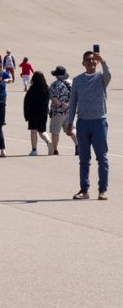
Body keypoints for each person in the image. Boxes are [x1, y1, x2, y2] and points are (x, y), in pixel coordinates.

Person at [65, 50, 110, 200]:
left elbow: (109, 74)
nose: (91, 62)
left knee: (102, 157)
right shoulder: (77, 80)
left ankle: (102, 190)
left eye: (93, 60)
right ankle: (84, 190)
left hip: (99, 122)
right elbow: (73, 103)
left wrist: (103, 61)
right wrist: (70, 122)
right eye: (88, 60)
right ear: (83, 63)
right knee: (84, 159)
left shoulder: (101, 78)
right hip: (83, 123)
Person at [49, 65, 78, 156]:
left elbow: (53, 98)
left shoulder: (54, 85)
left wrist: (61, 104)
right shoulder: (72, 83)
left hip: (58, 111)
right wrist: (68, 104)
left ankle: (55, 150)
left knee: (55, 131)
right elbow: (76, 96)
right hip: (70, 110)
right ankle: (78, 145)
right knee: (71, 128)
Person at [24, 71, 53, 155]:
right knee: (42, 131)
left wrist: (26, 114)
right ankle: (48, 141)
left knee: (33, 131)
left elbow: (27, 102)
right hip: (43, 113)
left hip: (33, 113)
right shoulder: (46, 88)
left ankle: (34, 150)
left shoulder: (32, 89)